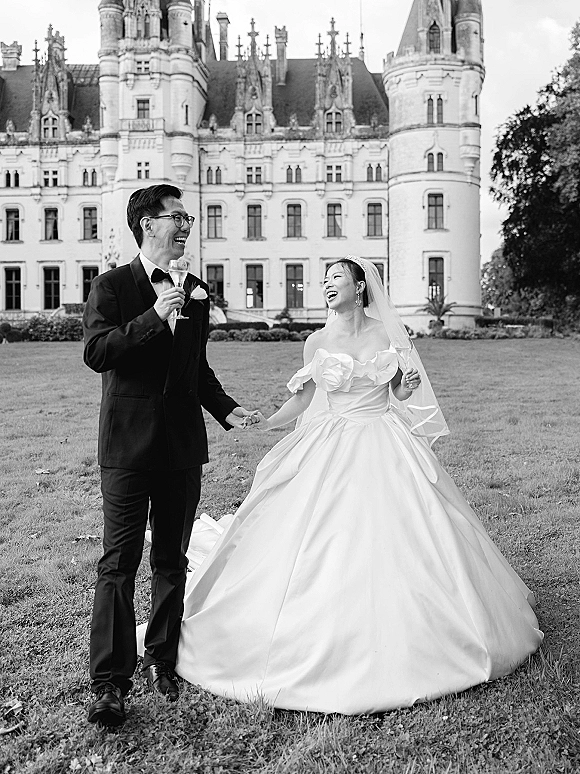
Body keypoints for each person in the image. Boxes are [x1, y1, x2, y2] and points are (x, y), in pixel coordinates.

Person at [169, 256, 543, 715]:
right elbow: (304, 398)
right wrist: (266, 422)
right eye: (324, 281)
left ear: (360, 284)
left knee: (411, 530)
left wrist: (406, 384)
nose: (327, 286)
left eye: (336, 279)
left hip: (385, 436)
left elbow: (400, 393)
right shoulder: (316, 341)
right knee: (320, 535)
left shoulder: (388, 334)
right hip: (333, 440)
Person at [83, 184, 256, 727]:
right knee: (118, 563)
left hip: (182, 448)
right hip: (128, 448)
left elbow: (195, 369)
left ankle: (163, 660)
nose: (186, 225)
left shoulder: (198, 290)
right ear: (146, 224)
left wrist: (226, 409)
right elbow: (97, 352)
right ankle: (110, 683)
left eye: (188, 217)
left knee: (171, 562)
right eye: (176, 216)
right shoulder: (111, 286)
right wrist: (154, 316)